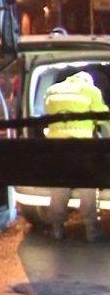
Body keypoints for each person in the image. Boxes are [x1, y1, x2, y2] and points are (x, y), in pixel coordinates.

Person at [43, 71, 109, 241]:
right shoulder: (90, 91)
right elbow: (103, 117)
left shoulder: (52, 90)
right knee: (87, 187)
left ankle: (57, 230)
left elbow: (48, 114)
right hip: (81, 148)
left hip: (57, 148)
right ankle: (92, 232)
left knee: (59, 188)